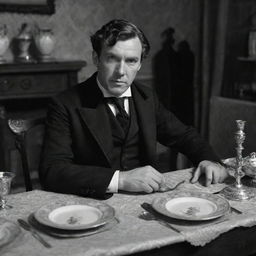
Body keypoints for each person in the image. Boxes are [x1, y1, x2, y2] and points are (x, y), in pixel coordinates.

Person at [39, 19, 228, 199]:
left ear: (139, 64)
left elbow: (184, 136)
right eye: (112, 58)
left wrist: (209, 160)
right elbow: (52, 170)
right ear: (96, 58)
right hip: (93, 204)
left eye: (130, 61)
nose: (121, 71)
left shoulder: (146, 97)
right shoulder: (65, 104)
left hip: (145, 201)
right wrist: (120, 179)